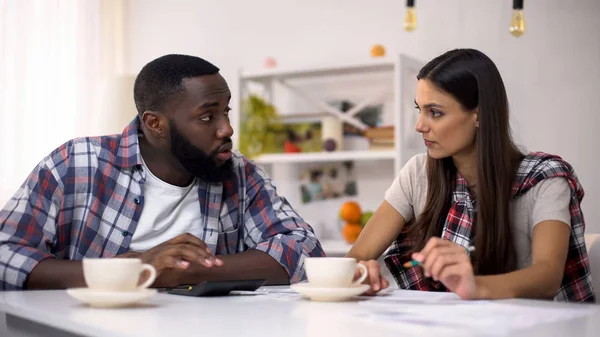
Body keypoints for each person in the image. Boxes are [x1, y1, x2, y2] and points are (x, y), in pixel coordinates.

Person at [0, 54, 325, 290]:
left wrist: (186, 271)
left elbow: (304, 249)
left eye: (225, 112)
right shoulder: (78, 163)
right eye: (207, 117)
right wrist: (134, 270)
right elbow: (5, 254)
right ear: (155, 124)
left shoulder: (239, 173)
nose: (227, 129)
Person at [347, 48, 595, 302]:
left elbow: (547, 277)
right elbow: (357, 256)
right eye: (419, 109)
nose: (419, 125)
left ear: (478, 115)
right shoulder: (417, 173)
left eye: (435, 112)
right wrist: (359, 272)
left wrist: (474, 286)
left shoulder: (546, 179)